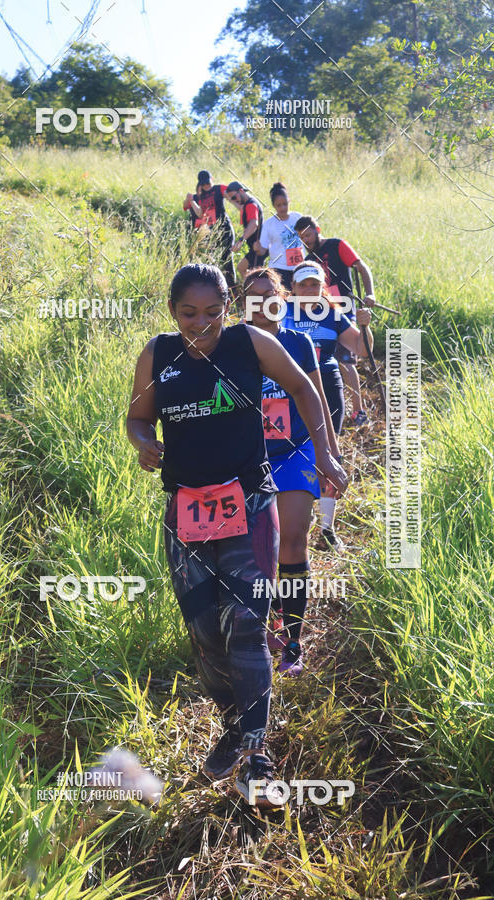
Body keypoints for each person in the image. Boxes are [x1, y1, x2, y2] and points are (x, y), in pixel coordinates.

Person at [126, 263, 347, 808]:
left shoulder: (252, 342)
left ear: (228, 305)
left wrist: (326, 454)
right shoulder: (158, 355)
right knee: (206, 637)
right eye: (187, 314)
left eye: (211, 312)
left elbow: (304, 389)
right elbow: (135, 418)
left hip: (249, 504)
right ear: (172, 311)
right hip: (186, 513)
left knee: (246, 625)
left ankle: (255, 753)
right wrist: (143, 443)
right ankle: (233, 721)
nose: (200, 325)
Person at [242, 267, 341, 676]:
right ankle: (269, 623)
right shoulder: (234, 344)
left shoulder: (298, 342)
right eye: (254, 296)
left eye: (270, 294)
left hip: (296, 451)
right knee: (260, 549)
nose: (263, 302)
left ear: (282, 296)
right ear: (243, 303)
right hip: (249, 457)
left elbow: (314, 397)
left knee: (294, 539)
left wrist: (330, 455)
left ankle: (294, 641)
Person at [282, 260, 373, 551]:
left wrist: (364, 326)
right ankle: (293, 519)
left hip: (328, 388)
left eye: (314, 284)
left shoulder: (334, 315)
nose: (309, 289)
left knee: (328, 452)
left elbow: (361, 348)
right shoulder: (279, 312)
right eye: (303, 284)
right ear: (292, 288)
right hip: (289, 389)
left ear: (323, 287)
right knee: (293, 450)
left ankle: (327, 529)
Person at [295, 215, 376, 426]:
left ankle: (358, 411)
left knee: (345, 360)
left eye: (309, 235)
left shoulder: (337, 245)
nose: (306, 240)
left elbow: (361, 267)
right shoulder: (309, 257)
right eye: (302, 238)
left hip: (342, 310)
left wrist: (370, 293)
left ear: (317, 229)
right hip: (316, 310)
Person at [183, 171, 236, 292]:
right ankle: (216, 289)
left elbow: (232, 197)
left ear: (212, 178)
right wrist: (190, 199)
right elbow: (192, 209)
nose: (207, 185)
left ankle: (233, 290)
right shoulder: (199, 196)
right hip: (209, 232)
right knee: (211, 260)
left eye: (208, 182)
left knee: (227, 260)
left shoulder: (218, 189)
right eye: (204, 184)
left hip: (224, 229)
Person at [254, 182, 304, 291]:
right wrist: (258, 248)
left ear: (289, 201)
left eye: (285, 204)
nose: (283, 208)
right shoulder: (269, 224)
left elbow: (309, 238)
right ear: (273, 206)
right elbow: (263, 251)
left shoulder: (298, 218)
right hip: (279, 268)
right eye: (279, 205)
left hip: (299, 267)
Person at [224, 181, 267, 281]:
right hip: (255, 248)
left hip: (258, 248)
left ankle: (254, 293)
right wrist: (230, 200)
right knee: (241, 268)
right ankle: (249, 291)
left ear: (241, 191)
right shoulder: (248, 203)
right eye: (232, 199)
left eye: (234, 197)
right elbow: (241, 208)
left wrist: (241, 240)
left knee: (257, 278)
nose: (234, 200)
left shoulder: (251, 205)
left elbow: (254, 224)